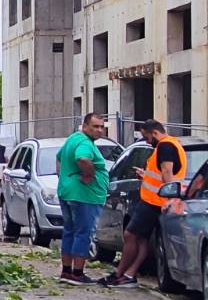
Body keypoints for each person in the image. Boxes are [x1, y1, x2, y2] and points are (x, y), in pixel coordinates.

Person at [103, 120, 183, 288]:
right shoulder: (171, 145)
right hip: (153, 200)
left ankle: (121, 274)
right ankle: (128, 274)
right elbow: (161, 174)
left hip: (154, 202)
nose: (147, 141)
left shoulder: (165, 146)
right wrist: (146, 175)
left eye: (147, 137)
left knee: (130, 235)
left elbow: (167, 172)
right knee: (141, 239)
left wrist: (170, 197)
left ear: (154, 133)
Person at [54, 114, 108, 285]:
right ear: (85, 126)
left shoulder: (73, 138)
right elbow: (83, 158)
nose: (99, 130)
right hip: (84, 195)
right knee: (83, 233)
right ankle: (78, 274)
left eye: (102, 126)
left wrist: (62, 177)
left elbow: (59, 157)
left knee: (69, 231)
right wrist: (89, 174)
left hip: (68, 192)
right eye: (95, 126)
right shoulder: (85, 143)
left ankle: (66, 271)